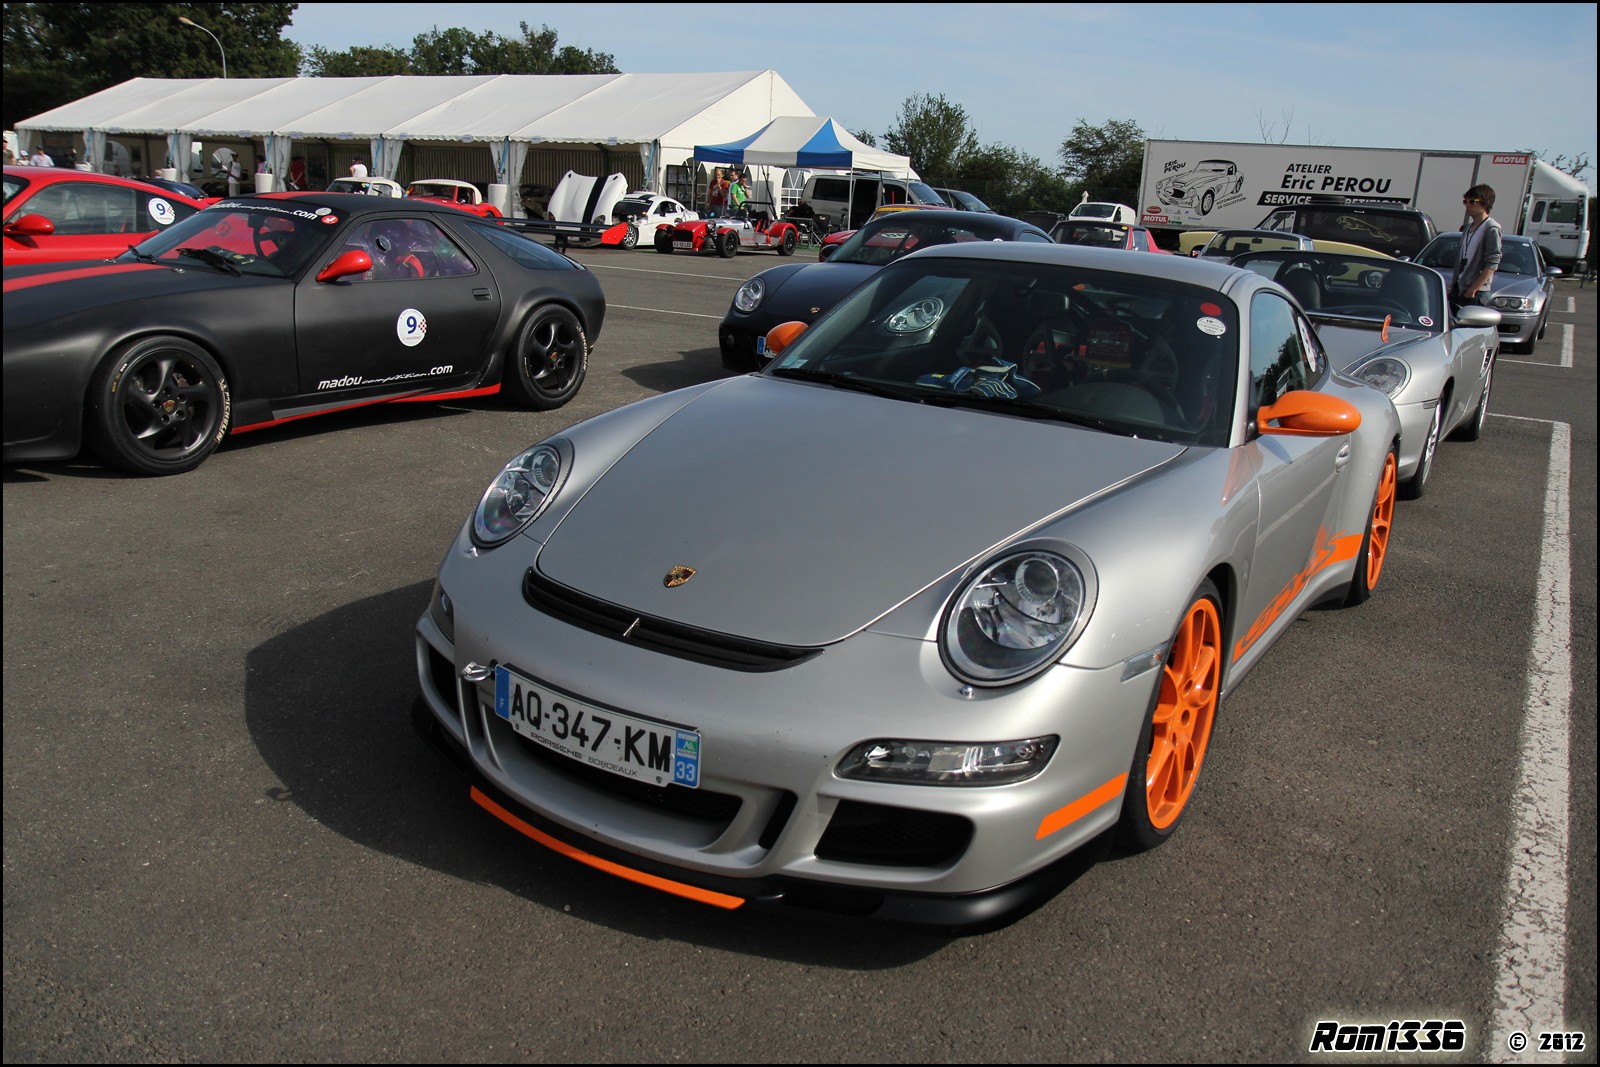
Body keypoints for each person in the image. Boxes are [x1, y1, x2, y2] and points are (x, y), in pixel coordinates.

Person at [1452, 184, 1502, 308]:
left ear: (1485, 203)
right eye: (1465, 201)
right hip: (1460, 286)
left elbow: (1493, 262)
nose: (1467, 205)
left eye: (1472, 201)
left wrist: (1473, 289)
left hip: (1476, 292)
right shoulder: (1468, 228)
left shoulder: (1491, 228)